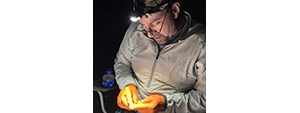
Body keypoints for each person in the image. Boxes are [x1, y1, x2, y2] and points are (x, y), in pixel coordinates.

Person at [114, 0, 205, 112]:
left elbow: (205, 99)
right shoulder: (136, 30)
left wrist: (165, 103)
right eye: (143, 25)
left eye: (155, 23)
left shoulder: (202, 45)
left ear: (175, 10)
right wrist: (127, 84)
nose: (149, 34)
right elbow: (122, 63)